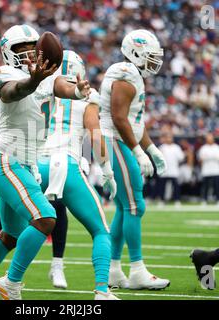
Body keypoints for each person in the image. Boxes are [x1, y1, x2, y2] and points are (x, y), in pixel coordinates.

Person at [0, 24, 90, 300]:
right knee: (46, 218)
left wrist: (76, 90)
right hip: (6, 161)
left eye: (32, 47)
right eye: (20, 48)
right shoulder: (4, 73)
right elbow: (12, 92)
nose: (28, 52)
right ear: (7, 51)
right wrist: (34, 80)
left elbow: (60, 85)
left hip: (25, 164)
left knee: (10, 235)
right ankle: (11, 282)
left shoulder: (46, 76)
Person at [38, 50, 119, 300]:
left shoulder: (40, 88)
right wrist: (106, 169)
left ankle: (5, 279)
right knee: (101, 231)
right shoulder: (87, 96)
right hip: (65, 164)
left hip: (35, 164)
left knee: (20, 229)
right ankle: (102, 291)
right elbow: (95, 134)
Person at [100, 29, 170, 290]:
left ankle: (113, 270)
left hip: (117, 140)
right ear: (135, 52)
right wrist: (138, 152)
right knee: (134, 205)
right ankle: (137, 270)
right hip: (113, 140)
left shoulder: (133, 74)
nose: (154, 61)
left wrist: (151, 148)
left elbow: (134, 122)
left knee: (124, 207)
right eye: (149, 56)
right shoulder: (125, 73)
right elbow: (119, 118)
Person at [0, 94, 69, 294]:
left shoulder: (47, 86)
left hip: (31, 160)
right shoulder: (12, 81)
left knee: (13, 233)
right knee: (4, 220)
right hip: (8, 161)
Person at [158, 132, 185, 206]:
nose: (169, 139)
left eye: (170, 137)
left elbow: (181, 158)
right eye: (167, 137)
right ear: (165, 138)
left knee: (176, 186)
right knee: (162, 186)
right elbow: (158, 159)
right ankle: (162, 201)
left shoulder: (176, 147)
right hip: (164, 171)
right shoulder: (162, 147)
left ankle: (177, 200)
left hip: (174, 170)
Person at [198, 133, 219, 205]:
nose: (209, 139)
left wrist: (208, 157)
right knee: (205, 186)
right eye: (208, 138)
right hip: (206, 170)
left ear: (213, 138)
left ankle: (218, 200)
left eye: (211, 138)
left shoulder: (217, 147)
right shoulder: (203, 148)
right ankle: (204, 200)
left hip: (216, 170)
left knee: (217, 186)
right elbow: (200, 159)